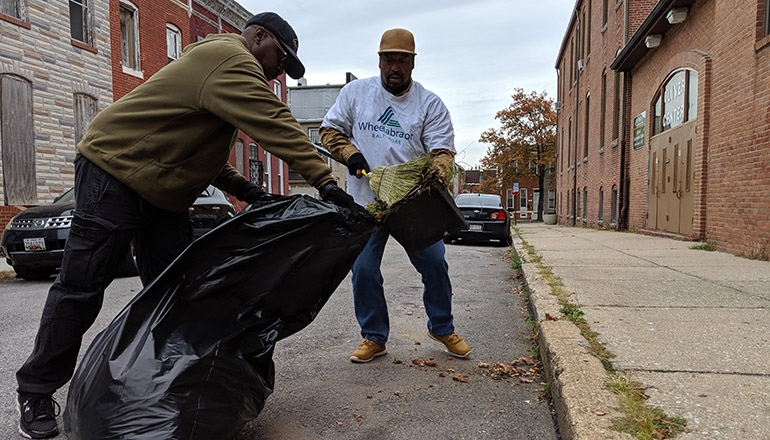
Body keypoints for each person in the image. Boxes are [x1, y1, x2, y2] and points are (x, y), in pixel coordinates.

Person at [15, 12, 363, 439]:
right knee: (81, 287)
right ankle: (35, 390)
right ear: (258, 37)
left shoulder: (219, 71)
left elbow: (198, 153)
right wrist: (326, 182)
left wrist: (248, 191)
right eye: (281, 59)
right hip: (114, 172)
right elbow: (275, 124)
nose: (278, 71)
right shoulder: (230, 59)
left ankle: (164, 388)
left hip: (160, 191)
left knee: (183, 289)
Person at [320, 28, 471, 363]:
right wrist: (350, 154)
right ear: (379, 61)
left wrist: (440, 170)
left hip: (412, 203)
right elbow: (329, 130)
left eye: (402, 60)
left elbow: (442, 150)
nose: (394, 66)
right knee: (363, 271)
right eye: (389, 59)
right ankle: (374, 336)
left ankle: (442, 326)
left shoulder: (429, 104)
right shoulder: (356, 94)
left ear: (412, 63)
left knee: (434, 263)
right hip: (366, 202)